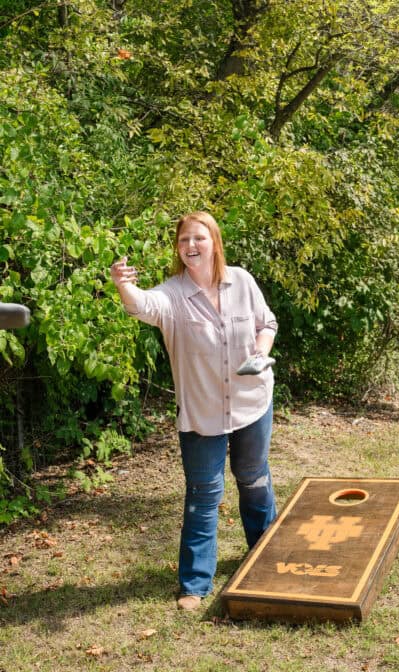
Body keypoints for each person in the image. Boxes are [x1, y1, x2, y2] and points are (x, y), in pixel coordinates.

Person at [110, 211, 278, 611]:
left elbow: (266, 322)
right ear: (178, 248)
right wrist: (123, 286)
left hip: (252, 403)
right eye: (184, 240)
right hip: (202, 415)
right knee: (203, 496)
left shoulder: (243, 281)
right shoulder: (172, 295)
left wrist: (261, 351)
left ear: (214, 242)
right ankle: (195, 584)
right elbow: (141, 306)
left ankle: (267, 558)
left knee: (254, 480)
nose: (191, 246)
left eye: (199, 238)